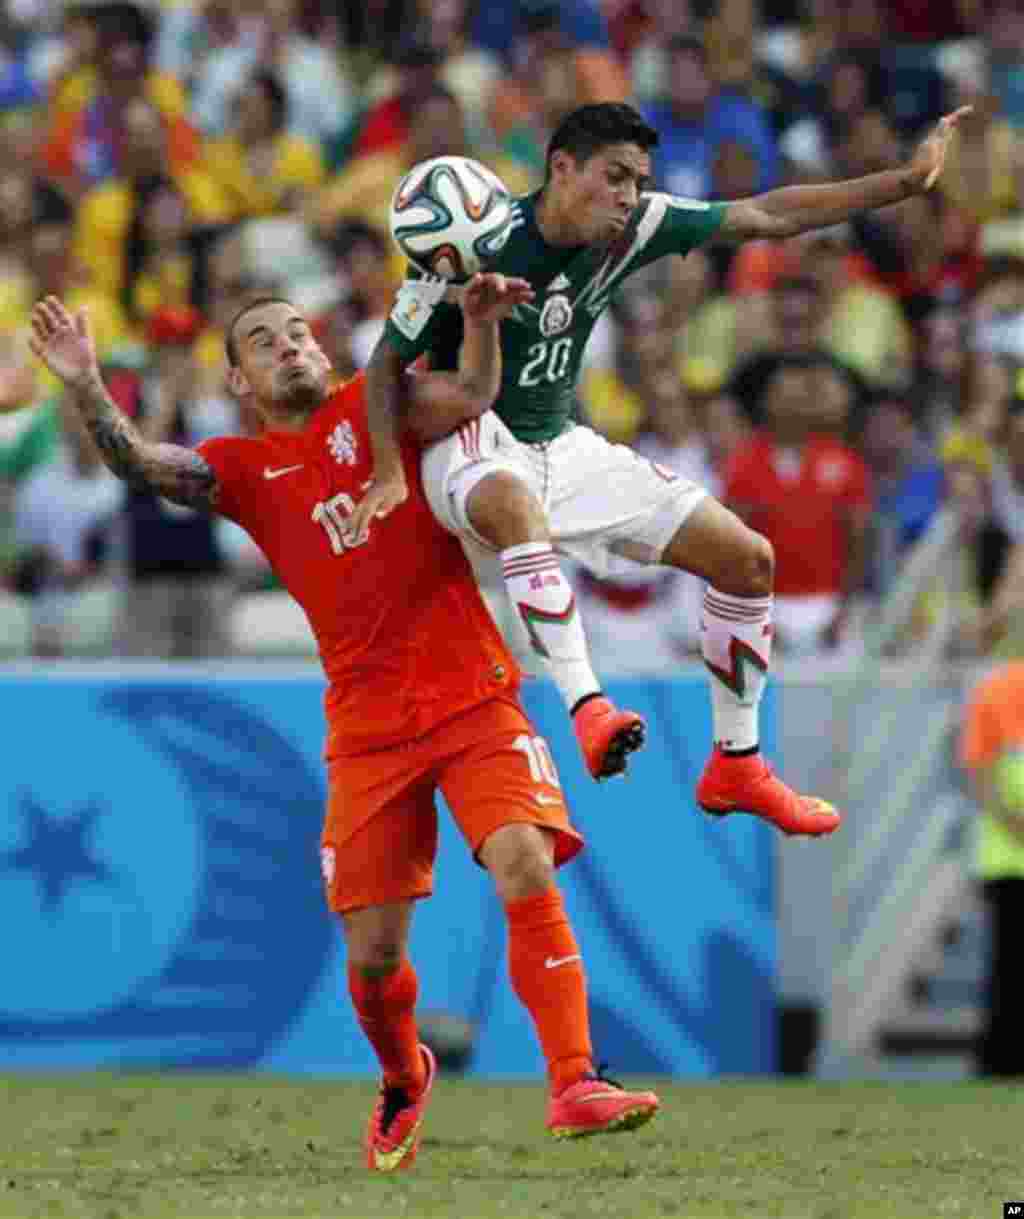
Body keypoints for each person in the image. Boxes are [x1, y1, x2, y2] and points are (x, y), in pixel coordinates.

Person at [27, 281, 660, 1170]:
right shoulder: (241, 471)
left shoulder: (379, 402)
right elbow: (139, 465)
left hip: (474, 696)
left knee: (523, 854)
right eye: (262, 341)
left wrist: (478, 322)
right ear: (241, 380)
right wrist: (87, 381)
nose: (288, 346)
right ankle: (405, 1073)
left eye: (297, 332)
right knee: (373, 960)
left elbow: (475, 395)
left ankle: (574, 1079)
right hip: (367, 731)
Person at [357, 99, 970, 832]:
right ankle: (587, 707)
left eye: (637, 179)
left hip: (563, 443)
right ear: (562, 167)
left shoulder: (640, 224)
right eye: (615, 177)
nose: (628, 195)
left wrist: (901, 182)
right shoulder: (476, 238)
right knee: (518, 508)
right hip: (470, 442)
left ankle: (737, 763)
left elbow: (767, 215)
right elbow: (385, 365)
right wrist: (390, 470)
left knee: (747, 558)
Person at [958, 660, 1024, 1077]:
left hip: (1006, 849)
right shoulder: (997, 690)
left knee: (1009, 966)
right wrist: (1015, 826)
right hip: (1008, 856)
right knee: (1010, 966)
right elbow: (981, 772)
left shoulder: (996, 688)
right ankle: (1002, 1061)